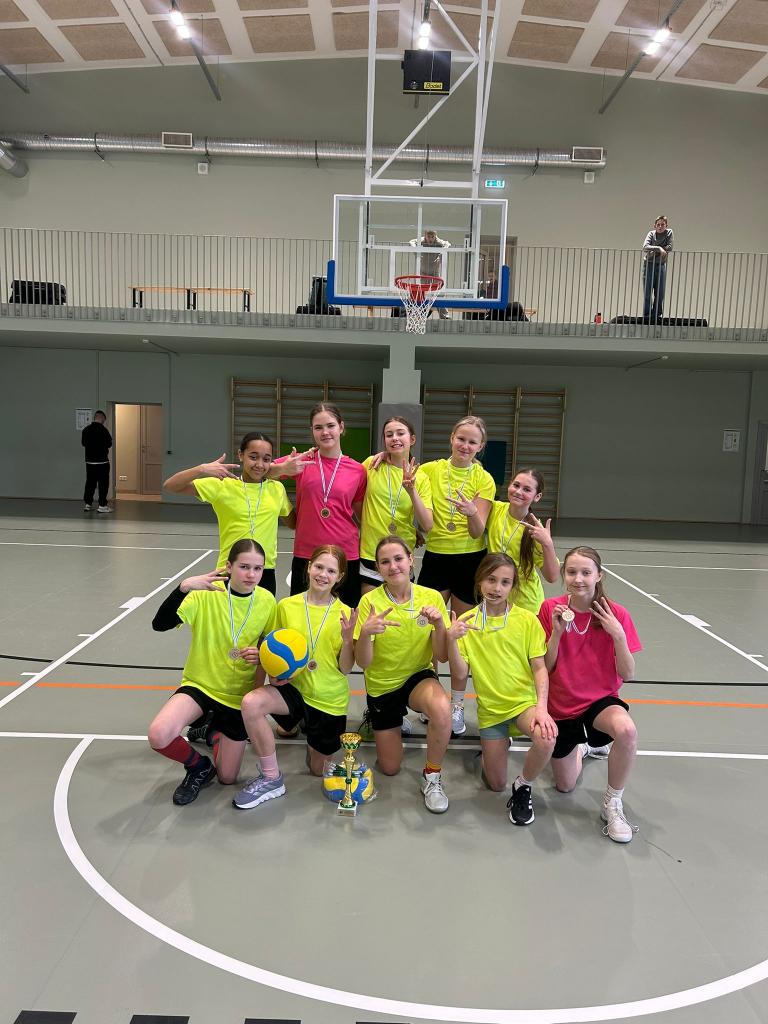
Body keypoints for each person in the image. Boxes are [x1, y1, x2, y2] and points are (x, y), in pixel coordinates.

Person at [147, 539, 276, 806]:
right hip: (200, 685)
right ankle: (198, 766)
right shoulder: (205, 593)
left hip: (237, 697)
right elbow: (159, 624)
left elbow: (269, 647)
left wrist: (261, 655)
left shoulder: (266, 600)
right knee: (158, 734)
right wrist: (183, 588)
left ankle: (210, 733)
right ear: (229, 566)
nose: (252, 574)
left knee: (227, 777)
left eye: (258, 568)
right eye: (244, 567)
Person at [233, 545, 357, 809]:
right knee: (251, 703)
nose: (323, 574)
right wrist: (272, 672)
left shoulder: (346, 613)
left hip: (328, 699)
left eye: (331, 571)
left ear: (340, 577)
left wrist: (348, 641)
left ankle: (304, 733)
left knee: (317, 770)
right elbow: (273, 648)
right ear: (309, 567)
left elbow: (345, 669)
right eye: (319, 567)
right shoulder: (287, 606)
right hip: (293, 691)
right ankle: (271, 777)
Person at [537, 546, 642, 843]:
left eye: (586, 572)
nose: (578, 579)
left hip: (600, 702)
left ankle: (613, 803)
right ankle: (582, 748)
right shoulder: (550, 609)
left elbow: (628, 673)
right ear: (563, 575)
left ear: (599, 576)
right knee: (565, 786)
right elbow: (546, 667)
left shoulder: (617, 614)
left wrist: (618, 635)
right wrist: (557, 633)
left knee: (627, 731)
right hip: (561, 705)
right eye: (572, 572)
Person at [446, 553, 556, 825]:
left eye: (505, 582)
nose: (497, 588)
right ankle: (497, 744)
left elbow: (540, 668)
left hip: (523, 705)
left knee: (546, 738)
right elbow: (459, 673)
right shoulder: (467, 622)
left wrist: (542, 709)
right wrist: (451, 640)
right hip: (492, 712)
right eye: (491, 579)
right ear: (479, 581)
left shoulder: (527, 620)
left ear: (512, 586)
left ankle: (523, 785)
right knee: (495, 784)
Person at [354, 536, 452, 813]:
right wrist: (365, 634)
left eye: (398, 558)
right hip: (382, 685)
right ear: (378, 568)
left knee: (441, 709)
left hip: (418, 677)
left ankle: (432, 776)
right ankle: (387, 717)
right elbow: (363, 662)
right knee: (390, 768)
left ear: (411, 560)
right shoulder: (369, 602)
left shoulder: (431, 598)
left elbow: (442, 656)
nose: (393, 566)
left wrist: (439, 625)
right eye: (385, 562)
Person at [417, 415, 496, 735]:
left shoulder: (484, 480)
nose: (465, 445)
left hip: (469, 561)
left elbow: (478, 531)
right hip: (436, 558)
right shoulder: (430, 470)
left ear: (480, 446)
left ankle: (458, 705)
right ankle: (432, 700)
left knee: (460, 635)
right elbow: (418, 510)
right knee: (429, 631)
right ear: (451, 438)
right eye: (461, 438)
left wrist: (472, 513)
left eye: (472, 442)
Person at [163, 432, 293, 597]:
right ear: (241, 455)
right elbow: (170, 485)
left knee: (263, 614)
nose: (259, 464)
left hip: (264, 570)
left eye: (266, 459)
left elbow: (294, 522)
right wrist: (201, 469)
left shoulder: (277, 489)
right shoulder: (222, 485)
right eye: (253, 457)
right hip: (230, 568)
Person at [276, 403, 367, 608]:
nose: (325, 432)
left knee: (346, 616)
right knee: (301, 615)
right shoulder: (300, 461)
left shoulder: (358, 470)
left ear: (341, 427)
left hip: (345, 554)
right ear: (312, 431)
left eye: (330, 426)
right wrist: (283, 468)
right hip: (307, 553)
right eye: (318, 427)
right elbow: (260, 471)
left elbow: (364, 516)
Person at [359, 416, 433, 594]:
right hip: (371, 553)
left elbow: (427, 524)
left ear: (412, 439)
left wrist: (411, 491)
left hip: (402, 555)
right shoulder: (372, 464)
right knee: (371, 609)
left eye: (400, 433)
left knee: (400, 609)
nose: (394, 438)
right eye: (389, 434)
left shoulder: (421, 477)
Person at [483, 469, 559, 613]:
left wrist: (547, 544)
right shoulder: (495, 509)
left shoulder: (535, 530)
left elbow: (552, 577)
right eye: (516, 485)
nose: (518, 492)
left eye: (527, 489)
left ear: (537, 496)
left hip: (525, 605)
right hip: (495, 598)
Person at [409, 228, 450, 320]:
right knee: (420, 292)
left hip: (434, 272)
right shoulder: (421, 240)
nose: (430, 239)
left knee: (439, 293)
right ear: (425, 236)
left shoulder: (439, 242)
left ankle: (444, 315)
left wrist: (441, 254)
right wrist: (416, 249)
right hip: (423, 272)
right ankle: (420, 314)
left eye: (432, 237)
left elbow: (447, 243)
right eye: (429, 237)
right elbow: (411, 241)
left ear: (435, 236)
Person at [642, 214, 674, 323]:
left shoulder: (669, 233)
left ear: (666, 225)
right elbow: (645, 247)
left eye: (662, 224)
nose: (660, 226)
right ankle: (647, 316)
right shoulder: (651, 234)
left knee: (660, 293)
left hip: (660, 265)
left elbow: (670, 247)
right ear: (655, 226)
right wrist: (660, 249)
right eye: (658, 224)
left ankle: (656, 316)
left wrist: (653, 252)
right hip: (649, 264)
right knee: (647, 292)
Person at [82, 410, 112, 513]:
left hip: (90, 462)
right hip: (102, 462)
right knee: (103, 484)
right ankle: (102, 505)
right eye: (104, 420)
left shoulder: (86, 430)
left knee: (90, 483)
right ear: (102, 418)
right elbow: (109, 444)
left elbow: (83, 443)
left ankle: (88, 504)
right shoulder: (104, 430)